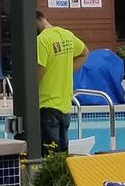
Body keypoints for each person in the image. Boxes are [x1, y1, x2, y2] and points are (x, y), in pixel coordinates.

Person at [35, 10, 88, 152]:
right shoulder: (66, 35)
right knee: (61, 157)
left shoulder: (42, 40)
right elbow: (84, 53)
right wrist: (66, 70)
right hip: (65, 106)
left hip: (46, 105)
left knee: (49, 155)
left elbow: (38, 73)